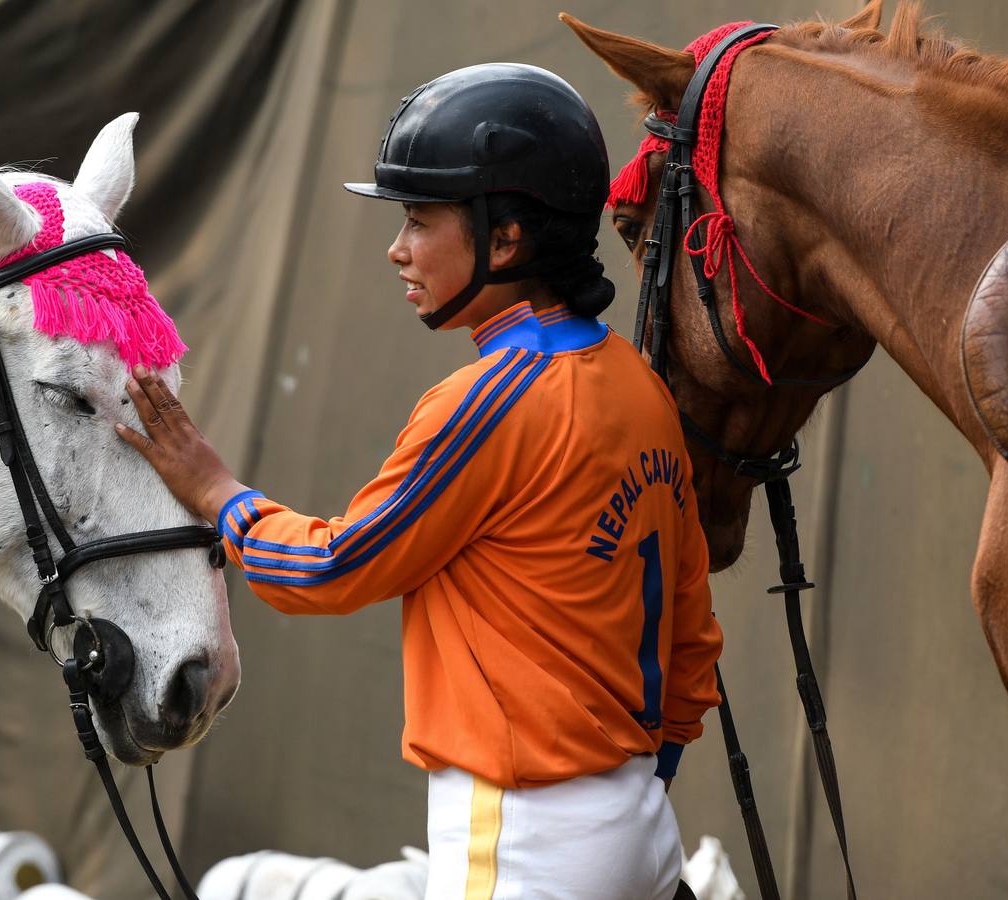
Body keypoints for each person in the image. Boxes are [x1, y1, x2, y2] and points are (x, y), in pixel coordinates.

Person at [116, 63, 722, 900]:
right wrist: (632, 795)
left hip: (524, 835)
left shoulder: (484, 401)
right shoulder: (637, 382)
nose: (396, 249)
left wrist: (216, 489)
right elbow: (691, 628)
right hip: (641, 828)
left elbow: (326, 567)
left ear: (506, 238)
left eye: (418, 218)